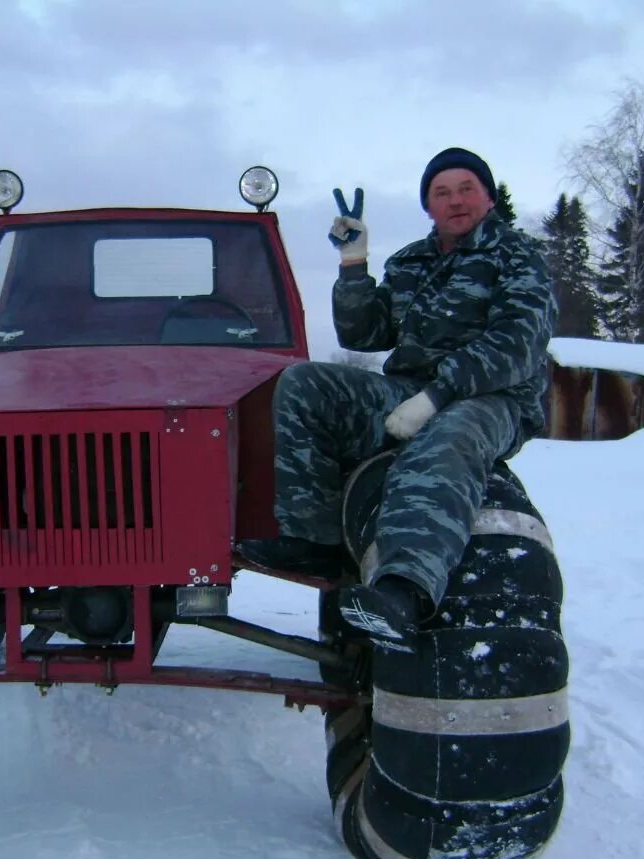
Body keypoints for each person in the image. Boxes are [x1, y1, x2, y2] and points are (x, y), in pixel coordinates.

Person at [235, 147, 557, 642]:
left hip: (493, 398)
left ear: (488, 198)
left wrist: (439, 395)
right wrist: (353, 263)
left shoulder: (517, 257)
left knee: (447, 437)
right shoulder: (413, 261)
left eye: (466, 189)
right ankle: (312, 537)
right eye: (441, 193)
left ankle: (403, 589)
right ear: (428, 205)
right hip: (406, 392)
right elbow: (364, 334)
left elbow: (518, 344)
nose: (455, 201)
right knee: (304, 383)